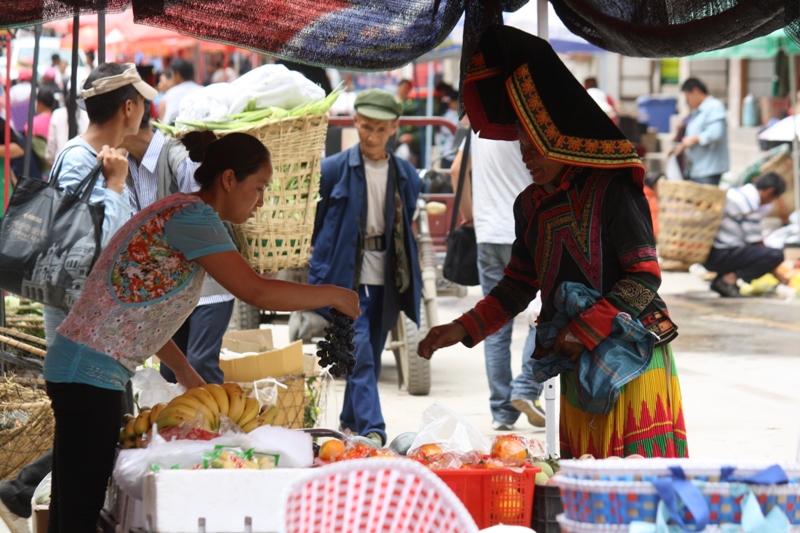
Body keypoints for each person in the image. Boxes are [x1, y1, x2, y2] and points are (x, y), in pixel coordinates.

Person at [44, 129, 360, 530]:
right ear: (228, 179)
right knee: (78, 513)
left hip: (85, 367)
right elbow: (256, 290)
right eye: (258, 187)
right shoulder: (193, 218)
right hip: (87, 373)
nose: (261, 201)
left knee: (72, 505)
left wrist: (187, 373)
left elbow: (146, 312)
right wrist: (331, 294)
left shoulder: (182, 211)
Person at [419, 26, 687, 459]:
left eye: (534, 145)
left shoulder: (613, 188)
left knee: (636, 494)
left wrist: (586, 328)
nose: (526, 155)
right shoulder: (530, 206)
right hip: (574, 362)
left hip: (633, 359)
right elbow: (514, 288)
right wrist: (461, 328)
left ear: (558, 136)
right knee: (586, 495)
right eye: (521, 146)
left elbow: (644, 277)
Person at [309, 88, 423, 447]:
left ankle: (349, 425)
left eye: (380, 129)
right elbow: (317, 227)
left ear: (394, 128)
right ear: (355, 122)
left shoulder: (407, 176)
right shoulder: (332, 171)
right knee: (359, 356)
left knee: (367, 355)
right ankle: (375, 429)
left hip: (388, 281)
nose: (371, 136)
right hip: (346, 282)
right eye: (365, 127)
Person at [121, 103, 235, 384]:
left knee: (199, 364)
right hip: (170, 289)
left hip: (208, 284)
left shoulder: (181, 157)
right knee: (171, 372)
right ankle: (182, 429)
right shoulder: (124, 166)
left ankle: (217, 426)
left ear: (129, 115)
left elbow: (207, 219)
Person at [41, 62, 152, 344]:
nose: (143, 110)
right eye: (141, 102)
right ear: (128, 108)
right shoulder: (79, 159)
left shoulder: (99, 156)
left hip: (98, 323)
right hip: (81, 330)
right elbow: (86, 251)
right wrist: (115, 185)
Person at [450, 133, 545, 430]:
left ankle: (502, 412)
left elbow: (456, 170)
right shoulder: (529, 126)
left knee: (495, 323)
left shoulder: (479, 127)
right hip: (528, 231)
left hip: (489, 233)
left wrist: (471, 216)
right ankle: (526, 388)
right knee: (544, 313)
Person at [704, 172, 788, 297]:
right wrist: (779, 275)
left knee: (755, 252)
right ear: (770, 192)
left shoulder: (738, 193)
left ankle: (722, 279)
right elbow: (756, 241)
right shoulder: (749, 203)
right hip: (720, 255)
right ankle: (728, 279)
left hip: (710, 252)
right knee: (775, 255)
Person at [673, 78, 729, 186]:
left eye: (688, 98)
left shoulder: (714, 106)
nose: (688, 103)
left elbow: (715, 133)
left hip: (708, 170)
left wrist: (693, 139)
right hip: (697, 169)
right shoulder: (698, 112)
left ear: (696, 91)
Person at [161, 58, 201, 126]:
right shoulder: (201, 90)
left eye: (172, 75)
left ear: (177, 75)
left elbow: (165, 123)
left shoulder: (171, 94)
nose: (171, 79)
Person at [395, 79, 420, 165]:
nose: (405, 90)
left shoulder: (409, 103)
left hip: (402, 138)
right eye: (403, 87)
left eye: (408, 88)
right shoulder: (392, 101)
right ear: (398, 87)